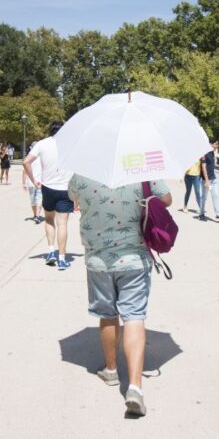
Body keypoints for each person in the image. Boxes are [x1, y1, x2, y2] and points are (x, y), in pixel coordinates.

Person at [68, 174, 172, 417]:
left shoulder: (82, 174)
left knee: (107, 314)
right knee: (134, 316)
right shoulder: (142, 171)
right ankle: (135, 387)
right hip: (135, 259)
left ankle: (111, 370)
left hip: (98, 260)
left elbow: (72, 197)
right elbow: (167, 198)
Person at [23, 122, 74, 270]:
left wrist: (33, 180)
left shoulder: (42, 144)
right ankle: (62, 259)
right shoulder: (70, 144)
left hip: (48, 188)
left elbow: (26, 162)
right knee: (62, 224)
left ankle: (51, 251)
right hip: (65, 188)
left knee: (49, 220)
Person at [198, 140, 219, 222]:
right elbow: (204, 167)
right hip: (206, 180)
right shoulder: (204, 153)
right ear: (210, 144)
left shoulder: (212, 153)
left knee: (215, 196)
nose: (217, 146)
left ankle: (218, 215)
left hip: (213, 178)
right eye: (216, 144)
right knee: (204, 197)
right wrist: (207, 181)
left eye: (217, 144)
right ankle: (201, 214)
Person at [22, 141, 43, 223]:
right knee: (39, 199)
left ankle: (35, 215)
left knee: (33, 200)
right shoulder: (42, 157)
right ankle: (37, 215)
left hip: (31, 182)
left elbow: (24, 172)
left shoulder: (28, 158)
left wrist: (24, 183)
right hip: (40, 182)